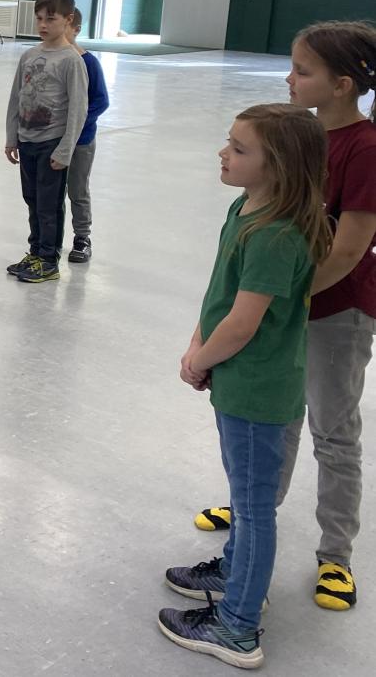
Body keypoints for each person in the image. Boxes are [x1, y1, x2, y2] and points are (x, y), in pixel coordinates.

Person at [193, 21, 376, 614]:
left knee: (333, 428)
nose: (290, 78)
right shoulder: (296, 135)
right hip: (280, 312)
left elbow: (347, 249)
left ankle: (335, 554)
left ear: (343, 84)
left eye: (303, 70)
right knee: (276, 422)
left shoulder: (364, 149)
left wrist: (279, 299)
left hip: (334, 310)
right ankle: (255, 512)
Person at [159, 103, 330, 670]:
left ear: (277, 165)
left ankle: (237, 627)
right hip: (236, 379)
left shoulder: (279, 235)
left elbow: (244, 321)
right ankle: (235, 571)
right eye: (228, 142)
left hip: (259, 391)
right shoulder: (248, 208)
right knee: (245, 495)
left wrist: (200, 359)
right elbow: (220, 293)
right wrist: (195, 345)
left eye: (238, 148)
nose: (223, 153)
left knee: (254, 509)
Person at [3, 0, 88, 283]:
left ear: (68, 20)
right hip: (27, 141)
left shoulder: (71, 60)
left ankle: (49, 259)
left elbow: (79, 109)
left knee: (49, 204)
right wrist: (12, 136)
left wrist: (65, 150)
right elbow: (16, 97)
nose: (42, 25)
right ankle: (36, 251)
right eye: (39, 18)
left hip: (51, 144)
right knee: (32, 200)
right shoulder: (29, 55)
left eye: (50, 19)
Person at [64, 8, 110, 264]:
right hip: (53, 140)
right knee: (52, 192)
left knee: (78, 190)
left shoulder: (89, 62)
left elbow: (101, 101)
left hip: (81, 141)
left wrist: (77, 123)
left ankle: (82, 237)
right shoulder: (54, 60)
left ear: (75, 28)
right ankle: (50, 236)